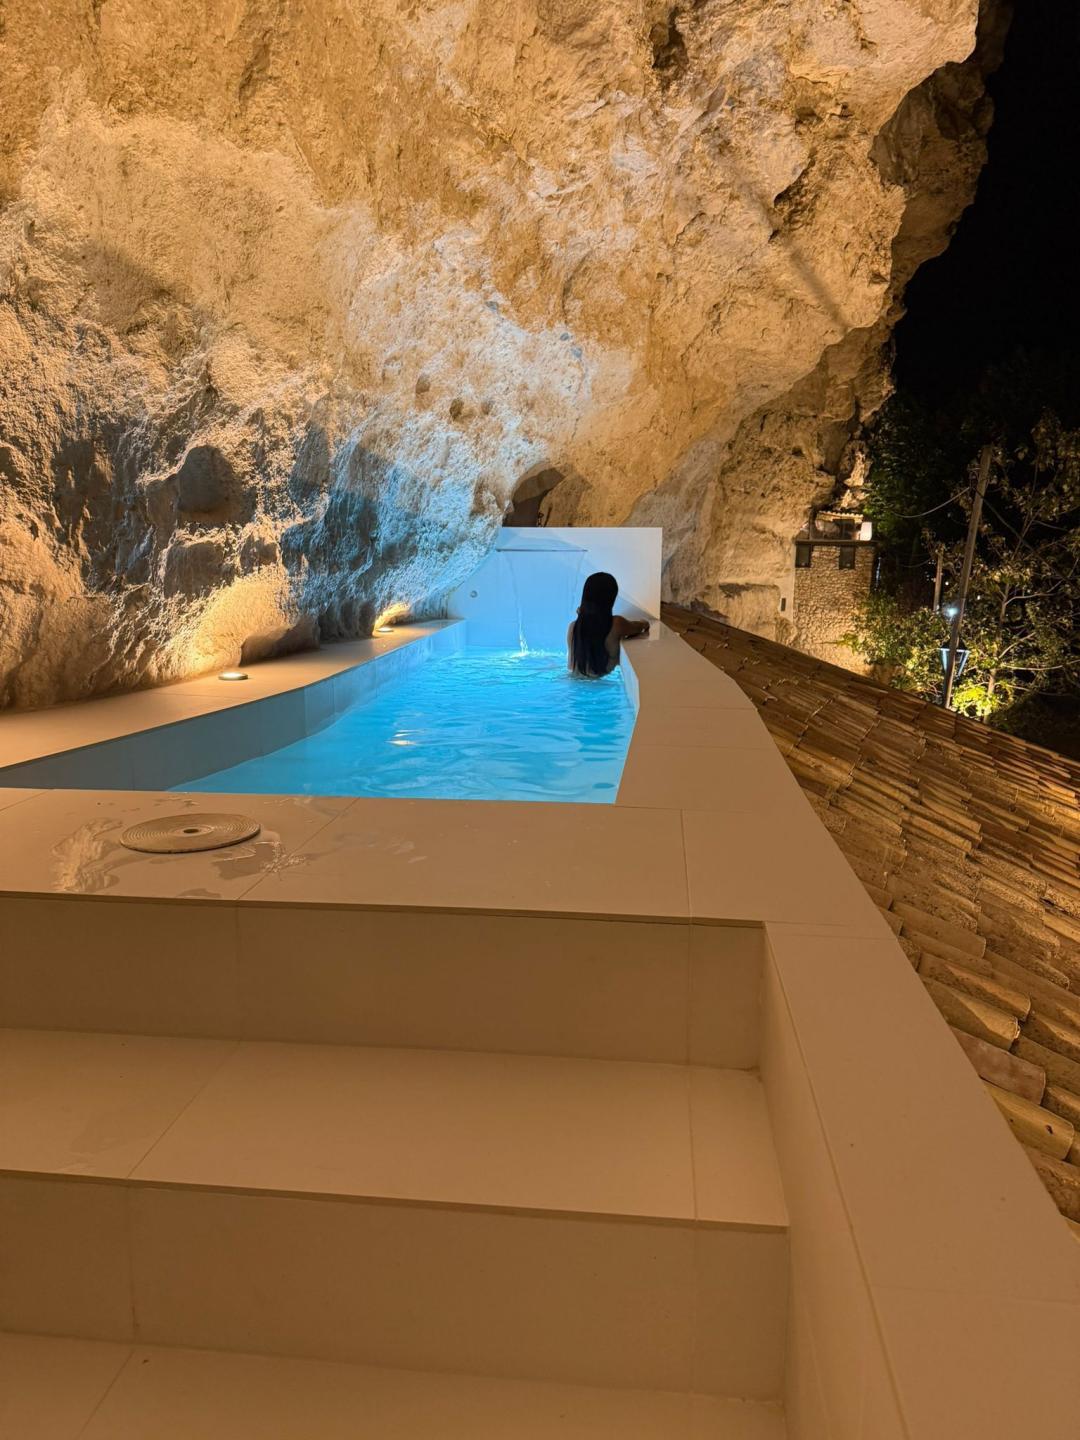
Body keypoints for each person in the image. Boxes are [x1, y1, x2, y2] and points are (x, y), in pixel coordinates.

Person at [567, 571, 650, 677]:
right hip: (601, 683)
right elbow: (639, 627)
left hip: (573, 680)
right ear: (610, 599)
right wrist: (644, 622)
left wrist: (582, 614)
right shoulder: (617, 624)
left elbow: (571, 666)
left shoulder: (573, 627)